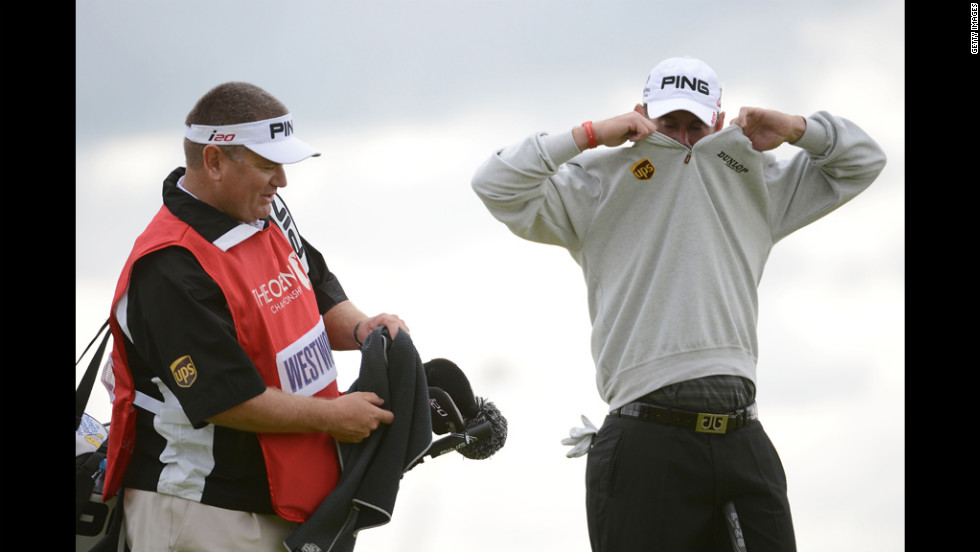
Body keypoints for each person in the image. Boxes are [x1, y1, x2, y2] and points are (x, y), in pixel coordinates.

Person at [471, 56, 886, 551]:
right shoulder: (597, 179)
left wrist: (796, 128)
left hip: (742, 435)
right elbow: (494, 182)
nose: (683, 137)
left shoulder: (756, 175)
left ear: (717, 119)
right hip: (645, 439)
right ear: (642, 113)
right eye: (670, 123)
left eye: (695, 124)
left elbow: (864, 161)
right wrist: (589, 134)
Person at [99, 81, 410, 552]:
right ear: (215, 162)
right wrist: (332, 417)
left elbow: (314, 282)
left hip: (283, 502)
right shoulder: (170, 266)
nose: (281, 180)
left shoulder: (261, 211)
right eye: (267, 165)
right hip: (199, 510)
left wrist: (362, 328)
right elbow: (225, 398)